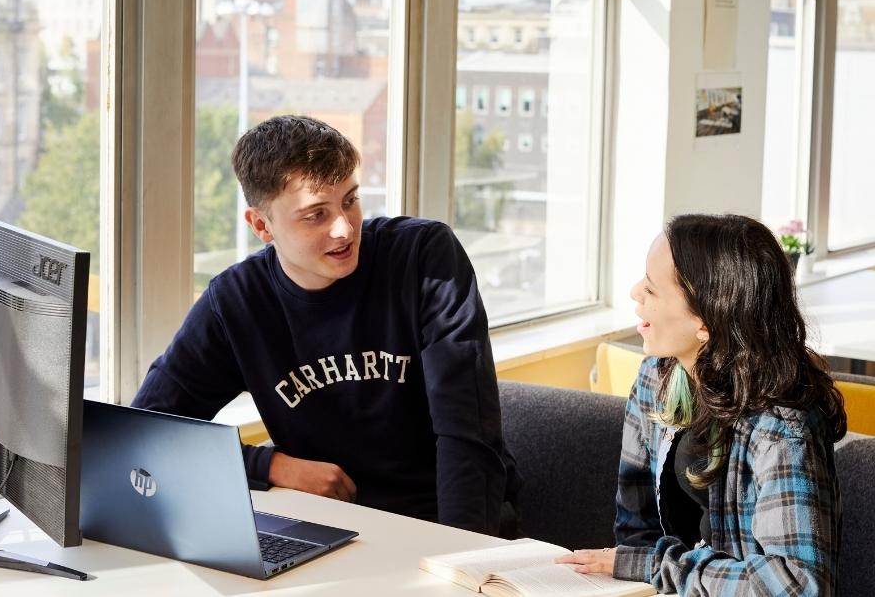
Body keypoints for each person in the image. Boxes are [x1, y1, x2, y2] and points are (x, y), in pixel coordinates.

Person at [132, 114, 519, 536]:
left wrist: (459, 553)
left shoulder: (423, 258)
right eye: (316, 214)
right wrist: (271, 465)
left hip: (440, 521)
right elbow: (145, 431)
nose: (344, 229)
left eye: (350, 200)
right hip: (325, 526)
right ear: (262, 225)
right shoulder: (237, 301)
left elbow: (468, 435)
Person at [556, 213, 846, 594]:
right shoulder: (654, 378)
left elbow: (799, 585)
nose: (634, 292)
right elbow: (635, 533)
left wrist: (658, 568)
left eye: (651, 289)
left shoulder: (782, 428)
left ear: (705, 322)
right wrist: (646, 574)